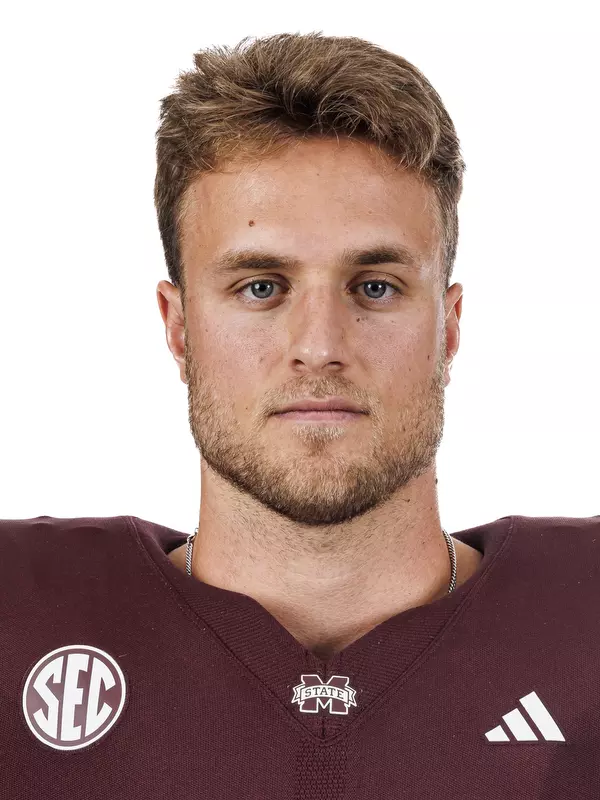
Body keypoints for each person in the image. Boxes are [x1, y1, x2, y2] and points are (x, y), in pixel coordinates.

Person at [4, 31, 600, 799]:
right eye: (261, 287)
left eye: (375, 286)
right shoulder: (19, 616)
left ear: (449, 327)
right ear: (178, 329)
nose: (319, 347)